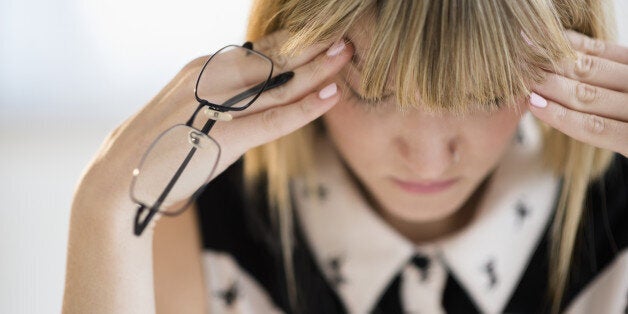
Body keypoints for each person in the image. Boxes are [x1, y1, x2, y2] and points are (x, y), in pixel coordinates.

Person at [62, 0, 628, 313]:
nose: (428, 162)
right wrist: (103, 214)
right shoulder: (198, 229)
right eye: (373, 93)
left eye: (484, 94)